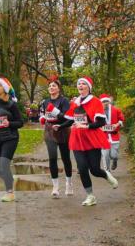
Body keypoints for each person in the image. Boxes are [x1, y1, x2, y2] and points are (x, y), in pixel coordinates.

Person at [63, 76, 118, 207]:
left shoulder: (95, 101)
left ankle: (105, 174)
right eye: (79, 84)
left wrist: (86, 126)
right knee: (82, 168)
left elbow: (101, 122)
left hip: (92, 138)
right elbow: (71, 119)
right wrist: (60, 126)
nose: (80, 86)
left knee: (94, 169)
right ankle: (90, 196)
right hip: (77, 139)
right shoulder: (75, 102)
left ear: (89, 87)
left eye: (83, 84)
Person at [39, 77, 73, 198]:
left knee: (65, 158)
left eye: (54, 86)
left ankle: (69, 184)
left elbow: (67, 117)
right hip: (49, 132)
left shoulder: (64, 101)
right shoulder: (45, 101)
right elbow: (42, 114)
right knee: (52, 158)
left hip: (63, 131)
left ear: (58, 88)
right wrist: (42, 118)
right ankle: (55, 186)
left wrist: (55, 112)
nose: (51, 88)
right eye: (50, 86)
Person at [99, 94, 125, 172]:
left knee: (114, 155)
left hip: (114, 136)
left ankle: (115, 160)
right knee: (105, 155)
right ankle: (107, 172)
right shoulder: (98, 111)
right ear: (101, 102)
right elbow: (94, 122)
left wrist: (116, 124)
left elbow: (122, 119)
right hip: (103, 136)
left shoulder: (116, 110)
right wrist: (99, 128)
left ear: (109, 102)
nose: (105, 103)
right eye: (103, 101)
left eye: (107, 101)